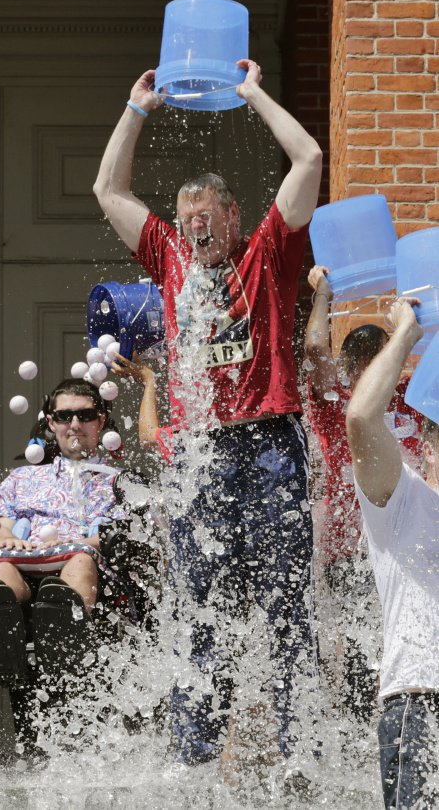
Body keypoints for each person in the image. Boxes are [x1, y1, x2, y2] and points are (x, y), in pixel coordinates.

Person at [93, 59, 323, 766]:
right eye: (184, 220)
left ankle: (298, 753)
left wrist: (250, 92)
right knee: (198, 603)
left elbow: (309, 155)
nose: (193, 232)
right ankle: (193, 755)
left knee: (284, 603)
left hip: (268, 444)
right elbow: (107, 188)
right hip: (200, 451)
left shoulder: (268, 253)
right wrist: (135, 111)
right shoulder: (167, 258)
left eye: (205, 220)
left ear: (231, 215)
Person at [0, 379, 147, 678]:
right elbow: (1, 521)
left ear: (100, 420)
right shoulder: (23, 478)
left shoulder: (119, 481)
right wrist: (8, 539)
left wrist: (77, 541)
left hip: (87, 567)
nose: (75, 424)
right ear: (51, 422)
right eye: (64, 416)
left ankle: (66, 633)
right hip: (28, 560)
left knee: (80, 559)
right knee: (3, 567)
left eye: (85, 415)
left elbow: (127, 533)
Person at [304, 265, 422, 721]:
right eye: (368, 359)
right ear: (352, 368)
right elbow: (315, 349)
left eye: (386, 355)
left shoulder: (414, 397)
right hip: (353, 556)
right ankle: (361, 752)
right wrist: (323, 296)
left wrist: (415, 324)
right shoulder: (339, 406)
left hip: (412, 552)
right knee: (362, 668)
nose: (381, 366)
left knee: (412, 654)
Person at [346, 297, 439, 809]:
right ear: (426, 447)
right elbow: (361, 417)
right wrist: (404, 335)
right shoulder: (403, 499)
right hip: (423, 701)